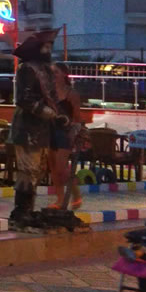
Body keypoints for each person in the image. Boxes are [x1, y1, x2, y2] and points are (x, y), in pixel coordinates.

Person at [8, 35, 59, 229]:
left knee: (37, 171)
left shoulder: (46, 70)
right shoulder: (26, 69)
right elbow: (23, 98)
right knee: (28, 171)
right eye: (45, 47)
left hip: (42, 128)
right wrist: (44, 111)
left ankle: (27, 210)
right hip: (27, 128)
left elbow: (52, 97)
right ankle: (21, 211)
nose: (48, 50)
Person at [48, 62, 84, 211]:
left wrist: (77, 133)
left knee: (62, 168)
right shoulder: (49, 92)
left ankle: (76, 194)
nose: (53, 75)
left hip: (64, 132)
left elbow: (77, 116)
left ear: (64, 74)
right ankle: (60, 199)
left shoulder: (71, 94)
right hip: (50, 130)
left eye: (56, 72)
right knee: (53, 167)